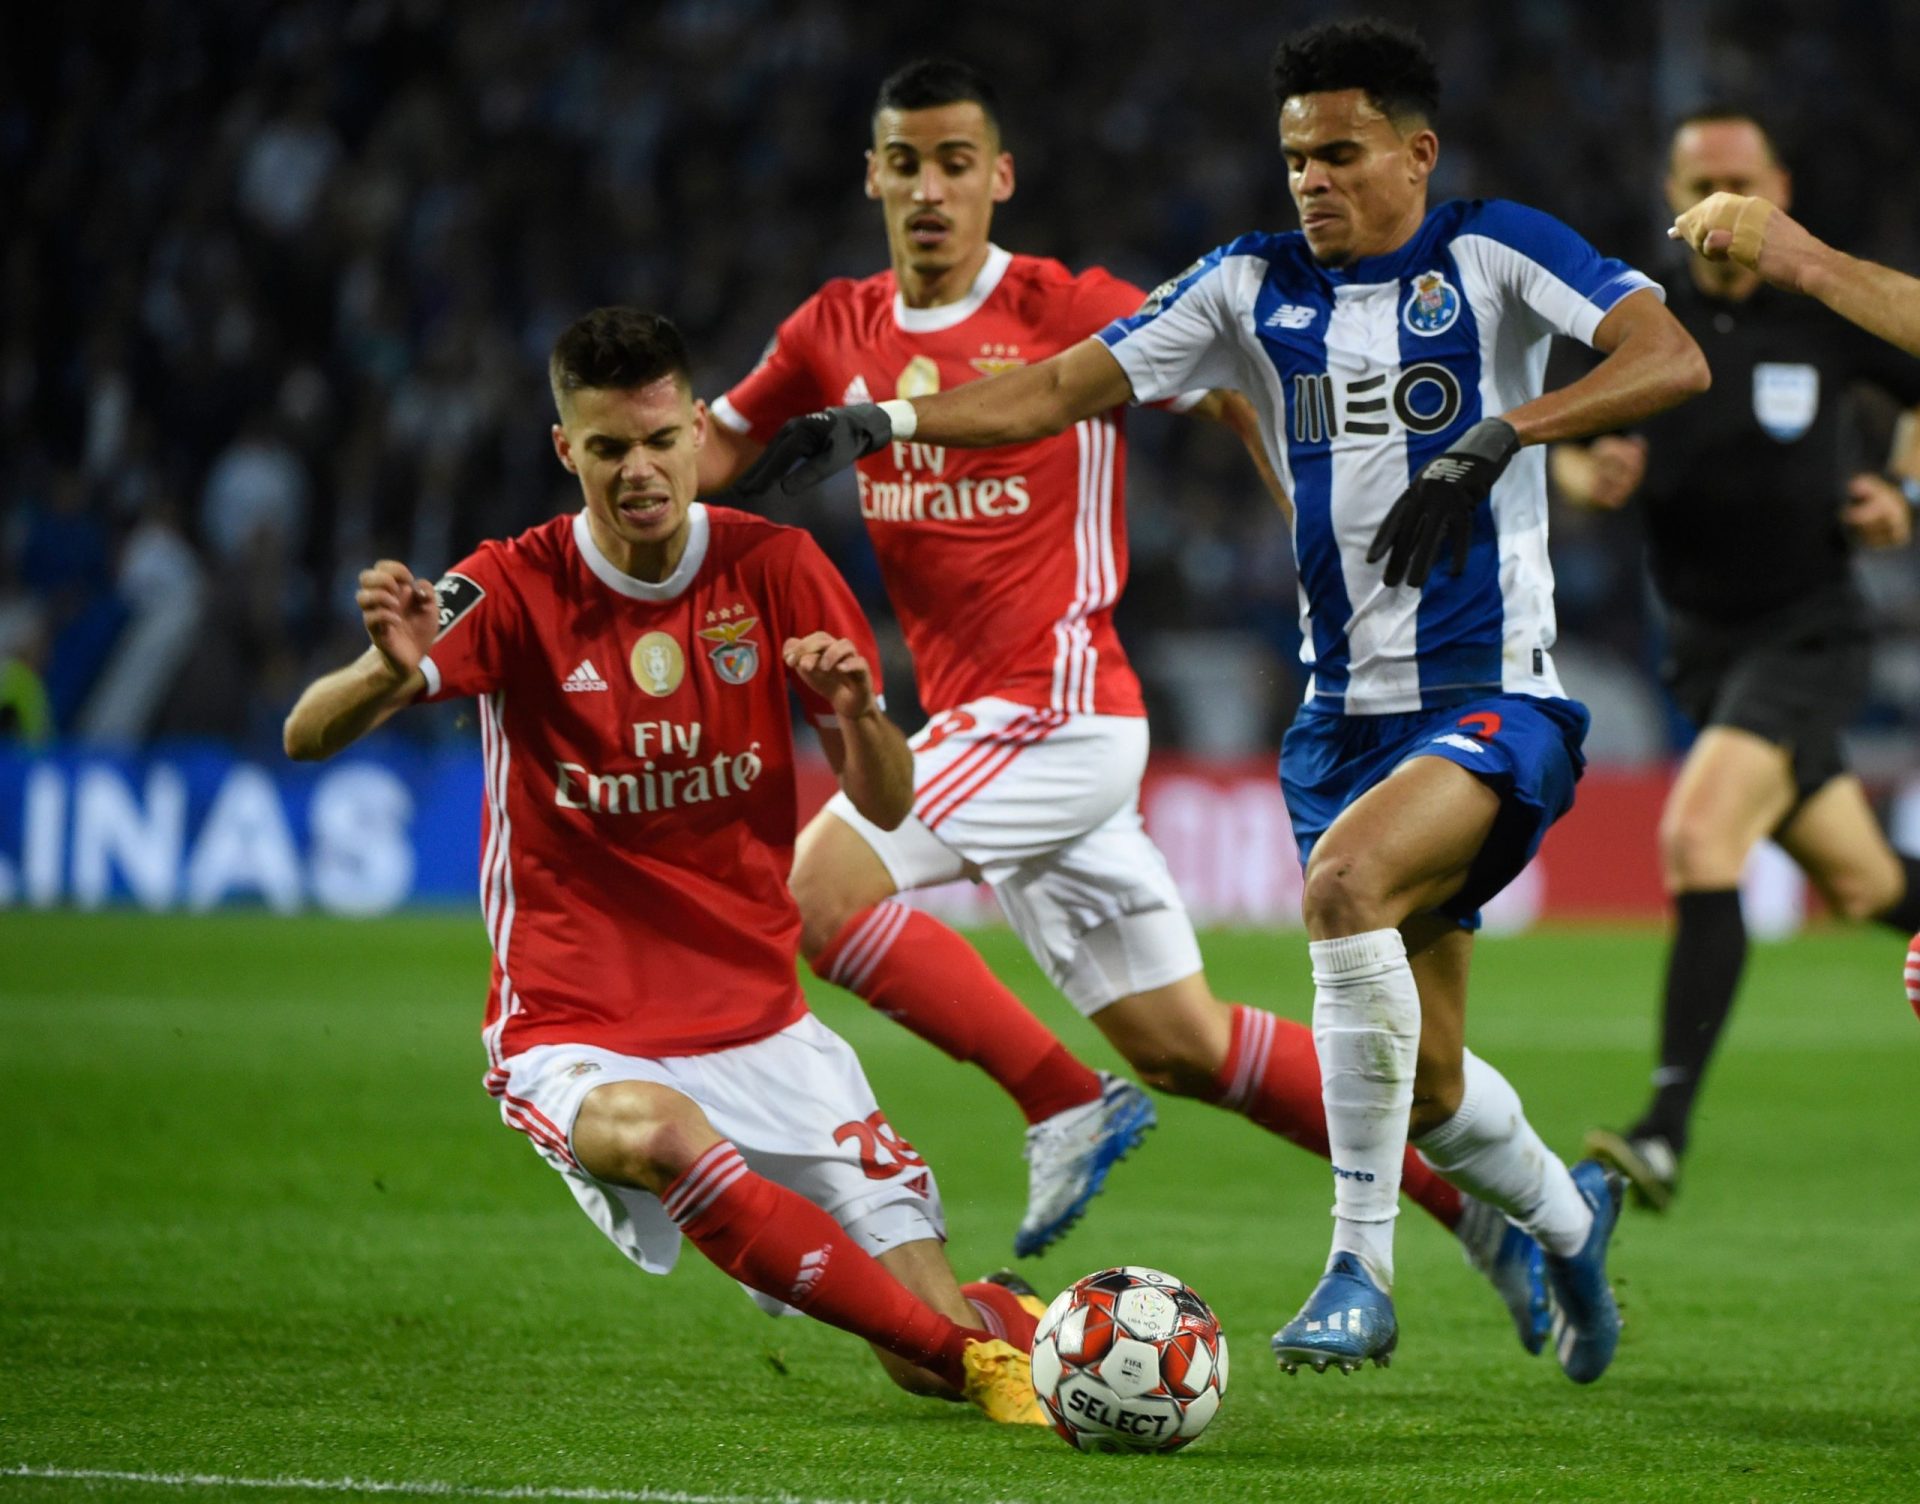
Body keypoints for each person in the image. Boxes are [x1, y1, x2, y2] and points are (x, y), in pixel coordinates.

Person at [735, 21, 1714, 1385]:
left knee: (1341, 894)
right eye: (1295, 155)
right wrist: (890, 425)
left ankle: (1353, 1272)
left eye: (1341, 152)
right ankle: (1563, 1217)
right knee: (1423, 1087)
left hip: (1497, 699)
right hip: (1339, 724)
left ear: (1414, 152)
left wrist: (1504, 433)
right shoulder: (1246, 285)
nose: (1311, 178)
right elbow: (1054, 393)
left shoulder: (1495, 249)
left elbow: (1669, 357)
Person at [282, 307, 1045, 1426]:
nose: (638, 471)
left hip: (765, 1026)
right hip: (577, 1028)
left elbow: (887, 799)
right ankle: (978, 1355)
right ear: (566, 451)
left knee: (921, 1362)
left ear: (697, 428)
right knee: (658, 1133)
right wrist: (380, 674)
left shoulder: (777, 567)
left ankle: (1011, 1334)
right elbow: (306, 732)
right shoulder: (507, 585)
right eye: (606, 449)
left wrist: (856, 712)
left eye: (657, 441)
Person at [1554, 109, 1920, 1210]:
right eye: (1700, 180)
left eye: (1739, 180)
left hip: (1809, 631)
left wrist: (1898, 489)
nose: (1719, 203)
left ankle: (1662, 1131)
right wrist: (1590, 478)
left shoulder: (1826, 318)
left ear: (1775, 190)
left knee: (1697, 833)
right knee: (1866, 884)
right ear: (1673, 194)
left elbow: (1912, 398)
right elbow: (1568, 452)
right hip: (1704, 651)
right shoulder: (1637, 328)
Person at [1671, 188, 1920, 359]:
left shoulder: (1824, 315)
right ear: (1670, 189)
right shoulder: (1656, 299)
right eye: (1702, 186)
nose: (1720, 205)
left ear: (1782, 186)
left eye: (1740, 185)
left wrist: (1813, 264)